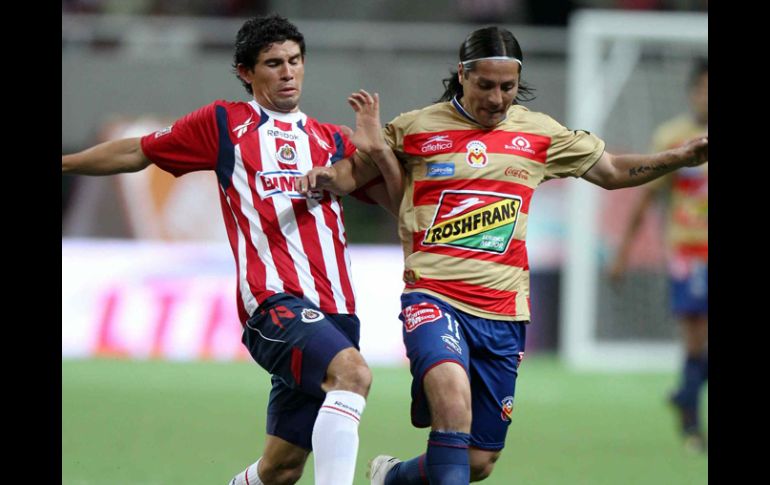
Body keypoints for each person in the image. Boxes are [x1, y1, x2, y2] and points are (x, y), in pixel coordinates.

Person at [298, 26, 708, 484]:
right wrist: (325, 177)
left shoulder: (539, 133)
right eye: (485, 86)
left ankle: (391, 479)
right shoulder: (417, 127)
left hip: (502, 311)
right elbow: (353, 172)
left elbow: (611, 170)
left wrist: (680, 156)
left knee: (478, 462)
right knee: (452, 403)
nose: (497, 99)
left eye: (507, 88)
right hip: (433, 297)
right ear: (462, 76)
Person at [62, 14, 396, 485]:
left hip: (337, 313)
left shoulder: (331, 139)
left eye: (295, 61)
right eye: (274, 63)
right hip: (274, 304)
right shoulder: (225, 124)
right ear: (245, 72)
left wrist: (377, 153)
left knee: (279, 470)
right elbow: (136, 151)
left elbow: (400, 206)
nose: (288, 73)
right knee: (353, 374)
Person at [609, 59, 708, 452]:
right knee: (695, 339)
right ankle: (691, 424)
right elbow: (645, 197)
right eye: (702, 87)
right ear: (691, 91)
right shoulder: (673, 137)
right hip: (689, 252)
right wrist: (623, 253)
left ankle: (685, 391)